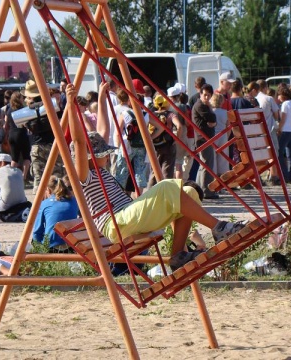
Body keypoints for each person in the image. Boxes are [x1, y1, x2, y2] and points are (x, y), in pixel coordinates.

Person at [66, 83, 245, 271]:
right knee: (167, 186)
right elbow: (79, 142)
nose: (107, 154)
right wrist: (71, 106)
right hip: (117, 223)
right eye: (103, 153)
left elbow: (104, 130)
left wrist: (102, 99)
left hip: (128, 217)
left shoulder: (100, 169)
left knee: (189, 191)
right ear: (91, 157)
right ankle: (219, 228)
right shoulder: (83, 177)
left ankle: (178, 255)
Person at [33, 175, 79, 252]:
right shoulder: (74, 201)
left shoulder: (45, 204)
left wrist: (38, 249)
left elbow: (37, 231)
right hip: (71, 245)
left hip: (52, 247)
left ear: (48, 190)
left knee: (37, 237)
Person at [192, 84, 218, 199]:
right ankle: (206, 191)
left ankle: (201, 189)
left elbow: (212, 120)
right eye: (205, 95)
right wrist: (212, 120)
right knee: (207, 165)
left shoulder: (204, 105)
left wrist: (212, 122)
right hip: (203, 138)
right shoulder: (200, 105)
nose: (206, 98)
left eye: (209, 95)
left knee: (205, 165)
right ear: (200, 94)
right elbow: (211, 119)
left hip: (205, 138)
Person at [4, 91, 31, 181]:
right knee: (26, 156)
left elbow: (5, 125)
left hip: (12, 134)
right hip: (21, 134)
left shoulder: (9, 110)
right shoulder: (23, 109)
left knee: (14, 158)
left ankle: (11, 177)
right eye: (22, 98)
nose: (23, 99)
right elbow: (26, 123)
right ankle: (24, 176)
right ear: (19, 99)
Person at [277, 86, 291, 184]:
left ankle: (284, 175)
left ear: (283, 95)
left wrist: (279, 128)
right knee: (290, 154)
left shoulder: (285, 104)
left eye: (279, 95)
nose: (278, 98)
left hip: (286, 129)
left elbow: (283, 118)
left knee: (279, 151)